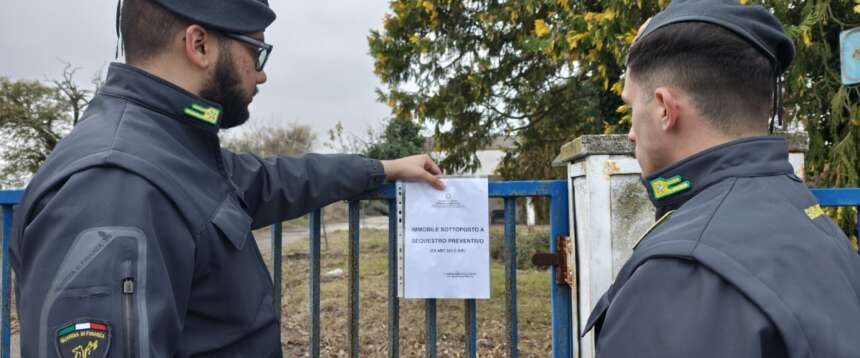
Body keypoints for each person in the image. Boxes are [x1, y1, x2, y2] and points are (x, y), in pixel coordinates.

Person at [9, 0, 444, 356]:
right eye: (256, 52)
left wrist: (382, 169)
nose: (262, 73)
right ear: (199, 45)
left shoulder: (170, 148)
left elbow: (270, 180)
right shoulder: (113, 184)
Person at [582, 0, 860, 357]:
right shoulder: (814, 223)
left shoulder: (679, 277)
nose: (632, 133)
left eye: (632, 108)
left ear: (665, 109)